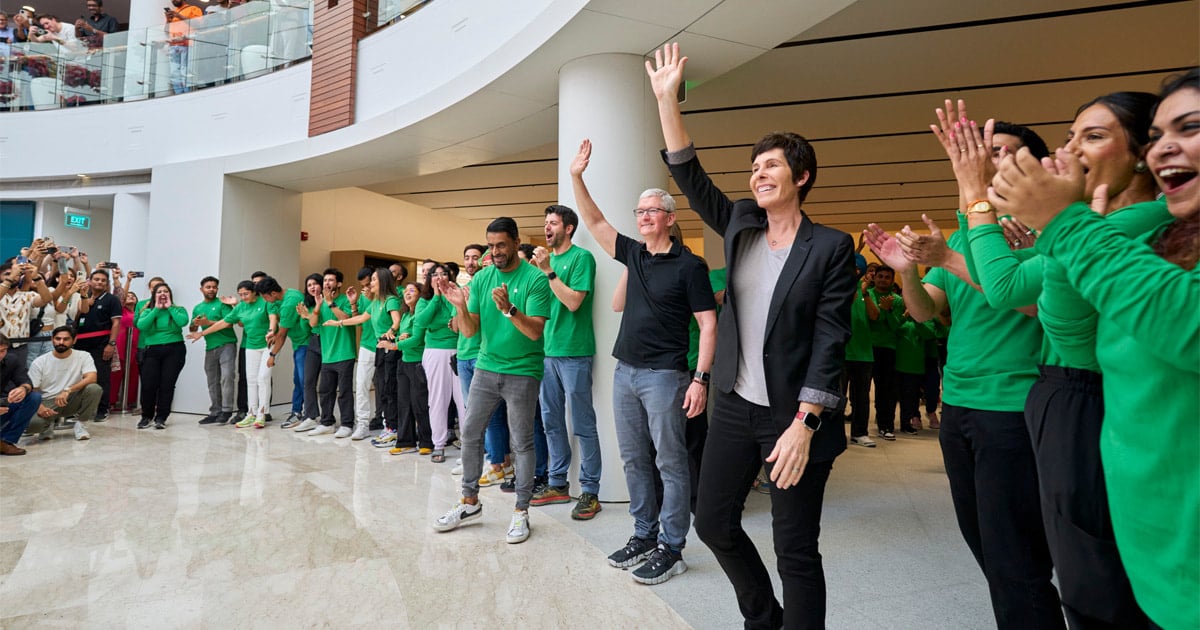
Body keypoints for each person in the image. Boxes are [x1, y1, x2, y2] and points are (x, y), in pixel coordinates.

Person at [939, 93, 1167, 628]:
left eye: (1091, 136)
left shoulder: (1132, 221)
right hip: (1055, 393)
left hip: (1078, 395)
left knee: (1077, 575)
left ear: (1142, 152)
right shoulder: (1095, 219)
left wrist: (975, 193)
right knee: (1042, 561)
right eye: (1070, 136)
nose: (1070, 149)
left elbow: (1005, 288)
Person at [649, 42, 855, 619]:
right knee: (712, 521)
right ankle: (764, 617)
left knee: (795, 549)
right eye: (755, 165)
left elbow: (830, 339)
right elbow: (691, 177)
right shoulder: (741, 223)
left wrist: (806, 423)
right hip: (737, 406)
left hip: (793, 414)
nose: (758, 173)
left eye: (771, 165)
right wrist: (668, 101)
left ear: (802, 176)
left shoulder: (831, 248)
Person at [989, 69, 1199, 630]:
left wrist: (1061, 224)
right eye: (1158, 134)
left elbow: (1187, 327)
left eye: (1191, 127)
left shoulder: (1130, 224)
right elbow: (1073, 331)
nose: (1167, 147)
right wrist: (1065, 233)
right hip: (1152, 535)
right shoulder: (1160, 233)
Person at [865, 107, 1064, 628]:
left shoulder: (1041, 233)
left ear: (1033, 167)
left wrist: (953, 258)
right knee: (984, 542)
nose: (982, 157)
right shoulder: (958, 238)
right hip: (958, 407)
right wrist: (907, 273)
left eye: (999, 151)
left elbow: (1024, 301)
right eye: (983, 149)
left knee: (1015, 556)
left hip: (1013, 407)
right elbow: (927, 310)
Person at [570, 132, 717, 584]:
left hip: (666, 378)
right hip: (626, 373)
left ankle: (673, 547)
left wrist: (700, 380)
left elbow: (709, 324)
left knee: (669, 462)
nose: (643, 217)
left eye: (652, 210)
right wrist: (577, 176)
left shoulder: (690, 266)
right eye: (639, 212)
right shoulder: (634, 256)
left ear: (670, 219)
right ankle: (644, 534)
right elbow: (594, 223)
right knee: (634, 459)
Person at [433, 217, 553, 545]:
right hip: (486, 367)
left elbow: (534, 332)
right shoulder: (484, 278)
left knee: (522, 442)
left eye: (501, 245)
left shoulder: (535, 280)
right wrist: (460, 307)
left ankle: (521, 511)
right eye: (491, 246)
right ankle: (470, 502)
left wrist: (510, 310)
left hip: (523, 371)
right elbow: (471, 330)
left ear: (515, 242)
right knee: (471, 433)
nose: (496, 251)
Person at [529, 205, 601, 520]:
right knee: (551, 421)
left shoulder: (581, 258)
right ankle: (558, 483)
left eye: (553, 223)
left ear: (568, 228)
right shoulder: (539, 265)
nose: (547, 227)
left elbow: (573, 302)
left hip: (574, 351)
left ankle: (590, 491)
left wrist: (548, 271)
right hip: (545, 352)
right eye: (545, 222)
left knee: (583, 423)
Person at [187, 279, 278, 429]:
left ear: (254, 292)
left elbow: (273, 317)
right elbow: (223, 322)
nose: (243, 297)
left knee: (263, 378)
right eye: (241, 294)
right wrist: (202, 333)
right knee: (251, 380)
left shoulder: (264, 302)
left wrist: (271, 330)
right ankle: (251, 414)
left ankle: (262, 414)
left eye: (246, 293)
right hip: (251, 346)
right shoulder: (240, 307)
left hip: (267, 344)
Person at [329, 268, 399, 440]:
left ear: (382, 281)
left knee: (386, 388)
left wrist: (390, 331)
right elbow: (360, 319)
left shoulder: (391, 300)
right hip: (371, 347)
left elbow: (396, 320)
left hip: (388, 349)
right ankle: (363, 425)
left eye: (373, 280)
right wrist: (339, 322)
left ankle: (389, 427)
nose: (370, 284)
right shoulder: (374, 302)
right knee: (361, 385)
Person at [294, 269, 356, 436]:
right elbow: (313, 325)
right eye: (325, 280)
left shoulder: (344, 300)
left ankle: (347, 424)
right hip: (327, 354)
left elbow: (347, 319)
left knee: (344, 391)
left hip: (344, 352)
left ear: (339, 283)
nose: (327, 283)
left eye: (331, 280)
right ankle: (327, 422)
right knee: (325, 390)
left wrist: (330, 303)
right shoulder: (319, 302)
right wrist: (319, 305)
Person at [413, 263, 464, 462]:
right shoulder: (424, 300)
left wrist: (448, 297)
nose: (440, 277)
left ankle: (468, 444)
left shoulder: (456, 296)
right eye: (435, 274)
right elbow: (422, 322)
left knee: (463, 401)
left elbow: (455, 326)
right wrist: (436, 297)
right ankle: (439, 444)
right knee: (437, 399)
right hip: (434, 352)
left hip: (459, 350)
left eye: (444, 274)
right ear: (429, 279)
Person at [28, 326, 102, 441]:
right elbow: (33, 390)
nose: (61, 342)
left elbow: (92, 378)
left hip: (71, 397)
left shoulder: (83, 356)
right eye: (57, 339)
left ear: (74, 340)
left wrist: (68, 390)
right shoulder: (40, 362)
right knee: (32, 426)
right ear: (52, 339)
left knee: (94, 389)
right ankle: (47, 425)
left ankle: (81, 425)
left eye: (66, 339)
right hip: (47, 401)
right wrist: (40, 407)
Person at [135, 282, 188, 430]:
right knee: (148, 384)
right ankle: (146, 416)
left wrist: (170, 307)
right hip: (152, 350)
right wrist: (156, 309)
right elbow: (142, 326)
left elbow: (182, 322)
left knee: (167, 384)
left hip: (174, 349)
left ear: (170, 294)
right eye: (159, 292)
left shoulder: (179, 309)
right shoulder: (147, 310)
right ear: (154, 295)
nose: (163, 294)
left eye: (166, 291)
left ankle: (161, 417)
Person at [73, 269, 122, 422]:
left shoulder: (111, 299)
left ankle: (102, 409)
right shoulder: (83, 297)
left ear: (106, 283)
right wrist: (84, 303)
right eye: (96, 279)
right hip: (80, 343)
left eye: (103, 280)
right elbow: (75, 319)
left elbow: (116, 323)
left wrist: (111, 344)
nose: (99, 282)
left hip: (101, 344)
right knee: (79, 377)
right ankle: (79, 409)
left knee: (101, 377)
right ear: (90, 281)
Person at [865, 265, 906, 438]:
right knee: (861, 390)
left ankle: (886, 425)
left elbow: (896, 325)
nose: (883, 279)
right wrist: (882, 312)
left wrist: (888, 310)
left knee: (886, 390)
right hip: (866, 348)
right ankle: (859, 428)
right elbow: (872, 318)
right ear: (874, 277)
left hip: (888, 349)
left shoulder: (896, 299)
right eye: (880, 276)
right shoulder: (866, 295)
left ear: (892, 279)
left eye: (887, 277)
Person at [190, 276, 236, 425]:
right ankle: (215, 411)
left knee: (227, 376)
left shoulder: (223, 304)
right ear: (201, 289)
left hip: (227, 344)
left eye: (214, 287)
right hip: (210, 347)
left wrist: (207, 323)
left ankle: (227, 410)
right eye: (208, 287)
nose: (211, 289)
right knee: (212, 380)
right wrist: (195, 324)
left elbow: (229, 324)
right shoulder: (198, 307)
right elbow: (193, 328)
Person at [273, 277, 313, 429]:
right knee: (298, 380)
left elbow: (282, 335)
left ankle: (307, 414)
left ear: (272, 293)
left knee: (304, 381)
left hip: (305, 344)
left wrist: (272, 355)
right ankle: (297, 411)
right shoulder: (288, 296)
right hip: (298, 344)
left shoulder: (289, 302)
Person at [844, 263, 877, 447]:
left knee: (862, 397)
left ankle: (860, 433)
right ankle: (834, 434)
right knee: (837, 396)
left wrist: (864, 294)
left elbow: (874, 316)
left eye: (859, 269)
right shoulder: (838, 289)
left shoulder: (868, 292)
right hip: (841, 351)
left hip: (864, 354)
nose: (855, 272)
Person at [0, 260, 53, 368]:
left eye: (16, 274)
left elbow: (46, 299)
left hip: (21, 346)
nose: (13, 276)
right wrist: (11, 276)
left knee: (18, 377)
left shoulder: (27, 295)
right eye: (7, 274)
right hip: (0, 345)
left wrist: (37, 278)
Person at [291, 274, 324, 430]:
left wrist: (308, 316)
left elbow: (323, 324)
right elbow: (308, 328)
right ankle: (310, 415)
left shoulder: (327, 302)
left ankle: (327, 417)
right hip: (313, 341)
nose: (312, 287)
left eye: (315, 284)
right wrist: (304, 317)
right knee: (307, 381)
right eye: (309, 284)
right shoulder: (307, 304)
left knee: (326, 384)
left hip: (328, 342)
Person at [1, 333, 41, 456]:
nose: (1, 355)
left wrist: (23, 389)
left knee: (34, 397)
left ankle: (5, 441)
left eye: (3, 351)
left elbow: (26, 381)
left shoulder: (11, 360)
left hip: (3, 404)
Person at [164, 0, 202, 94]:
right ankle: (179, 94)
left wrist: (178, 16)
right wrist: (168, 21)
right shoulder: (173, 13)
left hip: (188, 44)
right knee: (174, 73)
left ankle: (188, 93)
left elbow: (198, 25)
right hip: (174, 46)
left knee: (186, 71)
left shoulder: (194, 9)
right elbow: (166, 31)